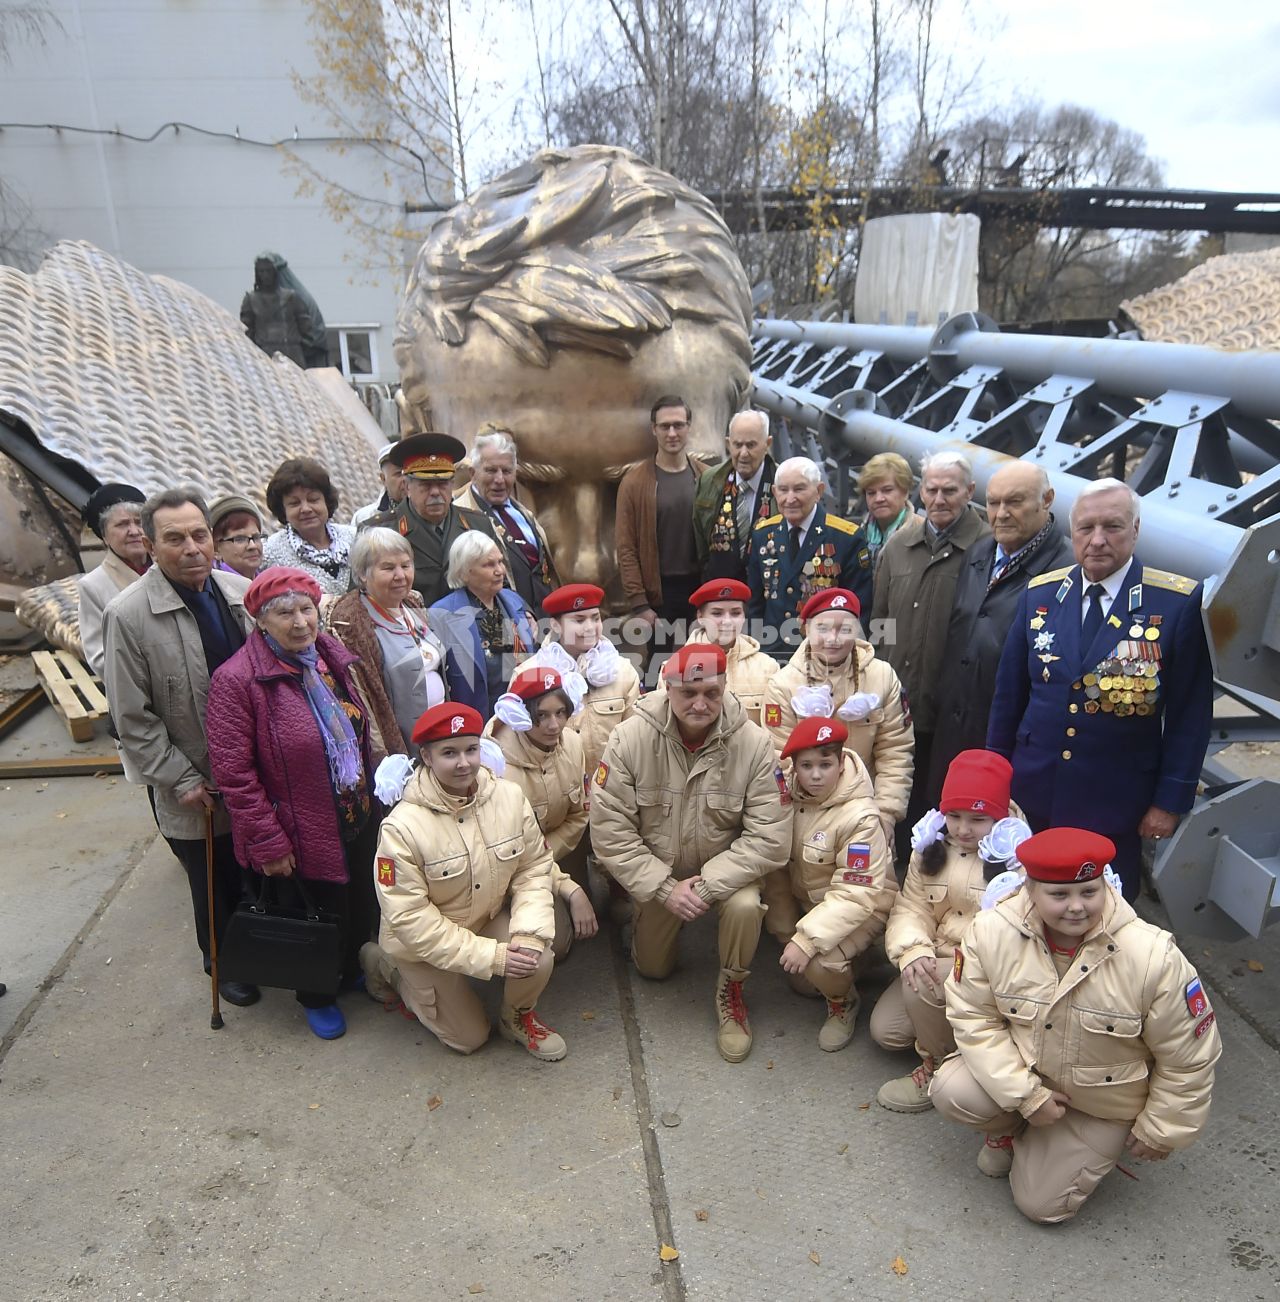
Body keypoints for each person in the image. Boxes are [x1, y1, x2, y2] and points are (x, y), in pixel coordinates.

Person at [932, 826, 1222, 1224]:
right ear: (1030, 890)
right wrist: (1025, 1096)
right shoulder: (990, 933)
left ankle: (1060, 1143)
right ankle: (1014, 1126)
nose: (1077, 907)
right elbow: (974, 1017)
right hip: (1029, 1075)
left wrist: (1163, 1127)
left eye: (1089, 891)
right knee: (951, 1089)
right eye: (1059, 894)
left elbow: (1189, 1055)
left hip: (1102, 1105)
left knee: (1040, 1207)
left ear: (1104, 885)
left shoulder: (1154, 957)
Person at [986, 478, 1213, 901]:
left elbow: (1190, 714)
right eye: (1085, 528)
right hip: (1034, 788)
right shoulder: (1042, 594)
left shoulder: (1175, 604)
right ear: (1071, 532)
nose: (1097, 540)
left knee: (1103, 914)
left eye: (1112, 527)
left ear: (1136, 530)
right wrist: (994, 774)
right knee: (1024, 903)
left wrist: (1170, 800)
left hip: (1116, 799)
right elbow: (1009, 697)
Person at [590, 643, 792, 1062]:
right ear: (667, 687)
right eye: (689, 693)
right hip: (661, 871)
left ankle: (732, 987)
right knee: (653, 970)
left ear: (724, 688)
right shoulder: (630, 739)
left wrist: (708, 885)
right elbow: (610, 831)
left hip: (726, 871)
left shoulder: (753, 744)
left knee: (744, 905)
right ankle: (655, 925)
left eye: (712, 694)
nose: (701, 704)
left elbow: (770, 837)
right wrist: (664, 890)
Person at [207, 568, 379, 1040]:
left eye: (307, 609)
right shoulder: (238, 680)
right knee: (310, 912)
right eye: (285, 612)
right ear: (261, 622)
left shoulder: (328, 658)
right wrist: (267, 840)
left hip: (352, 808)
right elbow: (234, 774)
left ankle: (350, 969)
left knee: (355, 902)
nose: (300, 621)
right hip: (296, 827)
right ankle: (315, 995)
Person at [102, 488, 258, 1007]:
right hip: (193, 773)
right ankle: (223, 960)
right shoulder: (128, 614)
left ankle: (268, 949)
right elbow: (131, 716)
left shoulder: (239, 591)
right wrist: (181, 778)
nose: (191, 548)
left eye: (199, 534)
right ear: (149, 544)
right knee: (212, 878)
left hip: (253, 763)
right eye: (175, 539)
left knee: (256, 864)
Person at [361, 703, 567, 1060]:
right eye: (449, 753)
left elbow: (533, 867)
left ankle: (515, 1018)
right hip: (419, 947)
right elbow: (411, 920)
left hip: (482, 921)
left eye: (471, 749)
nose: (464, 763)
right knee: (469, 1039)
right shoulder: (401, 828)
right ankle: (387, 968)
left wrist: (527, 935)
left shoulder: (508, 797)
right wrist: (494, 957)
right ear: (425, 756)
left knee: (539, 954)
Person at [870, 750, 1022, 1112]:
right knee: (888, 1034)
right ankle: (961, 1047)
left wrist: (959, 966)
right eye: (953, 816)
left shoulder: (1018, 858)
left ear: (999, 816)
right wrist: (913, 949)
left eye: (977, 819)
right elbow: (912, 907)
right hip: (934, 956)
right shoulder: (931, 846)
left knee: (924, 985)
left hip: (983, 972)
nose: (963, 829)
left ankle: (936, 1066)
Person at [928, 462, 1072, 803]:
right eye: (993, 503)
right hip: (953, 725)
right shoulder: (980, 551)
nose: (1001, 514)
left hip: (1012, 741)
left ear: (1047, 500)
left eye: (1015, 502)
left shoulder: (1065, 570)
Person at [872, 450, 990, 852]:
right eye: (932, 490)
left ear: (970, 491)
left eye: (950, 490)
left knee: (946, 805)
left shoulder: (987, 549)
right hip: (900, 704)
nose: (939, 500)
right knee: (899, 795)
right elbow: (880, 620)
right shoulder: (899, 544)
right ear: (920, 491)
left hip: (956, 708)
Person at [764, 717, 896, 1052]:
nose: (817, 775)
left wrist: (805, 940)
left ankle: (844, 1002)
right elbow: (777, 867)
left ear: (842, 762)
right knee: (804, 984)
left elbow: (857, 893)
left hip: (866, 904)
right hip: (816, 904)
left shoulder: (860, 816)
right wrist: (784, 931)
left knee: (818, 964)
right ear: (794, 768)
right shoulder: (786, 800)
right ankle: (861, 963)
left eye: (826, 764)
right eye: (807, 765)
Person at [762, 589, 913, 842]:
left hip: (866, 807)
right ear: (806, 629)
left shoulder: (882, 677)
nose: (833, 639)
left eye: (844, 629)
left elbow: (895, 752)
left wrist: (886, 813)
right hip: (804, 809)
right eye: (823, 628)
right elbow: (779, 760)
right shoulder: (783, 684)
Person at [487, 666, 598, 958]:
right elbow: (510, 849)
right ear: (520, 716)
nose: (553, 725)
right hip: (516, 863)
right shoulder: (496, 767)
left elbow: (580, 813)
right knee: (556, 946)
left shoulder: (573, 743)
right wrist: (568, 888)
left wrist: (549, 849)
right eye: (541, 716)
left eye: (560, 713)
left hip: (558, 845)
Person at [328, 528, 447, 760]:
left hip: (441, 730)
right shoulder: (352, 621)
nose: (400, 575)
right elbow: (368, 697)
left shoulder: (412, 603)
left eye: (406, 565)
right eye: (388, 568)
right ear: (363, 574)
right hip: (406, 745)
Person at [615, 395, 713, 662]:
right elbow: (626, 548)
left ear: (689, 427)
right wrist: (641, 605)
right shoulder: (634, 483)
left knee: (702, 664)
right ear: (653, 429)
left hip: (699, 590)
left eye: (679, 425)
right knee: (657, 668)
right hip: (658, 594)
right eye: (665, 426)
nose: (672, 433)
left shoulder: (706, 477)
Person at [746, 456, 873, 661]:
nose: (790, 498)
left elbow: (860, 609)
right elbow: (755, 604)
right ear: (774, 492)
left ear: (819, 491)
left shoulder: (846, 538)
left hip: (825, 656)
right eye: (783, 489)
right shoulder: (763, 534)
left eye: (799, 489)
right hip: (772, 656)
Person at [378, 432, 498, 607]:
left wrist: (523, 612)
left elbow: (500, 583)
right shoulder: (383, 531)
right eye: (425, 485)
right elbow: (363, 598)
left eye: (442, 484)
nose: (435, 492)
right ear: (407, 486)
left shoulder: (478, 525)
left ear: (452, 484)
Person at [453, 426, 561, 616]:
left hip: (545, 624)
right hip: (504, 627)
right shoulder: (459, 516)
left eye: (507, 471)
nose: (500, 479)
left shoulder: (523, 513)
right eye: (491, 470)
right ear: (472, 473)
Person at [430, 533, 537, 717]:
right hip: (476, 723)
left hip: (524, 715)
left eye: (500, 562)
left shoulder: (514, 601)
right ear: (464, 572)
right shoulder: (442, 615)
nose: (500, 571)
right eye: (489, 564)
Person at [542, 583, 641, 781]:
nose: (589, 627)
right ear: (555, 625)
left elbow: (638, 742)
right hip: (557, 791)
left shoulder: (623, 672)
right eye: (579, 620)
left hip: (614, 788)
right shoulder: (531, 674)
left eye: (595, 618)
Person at [652, 579, 778, 727]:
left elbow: (772, 732)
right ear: (700, 617)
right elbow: (664, 726)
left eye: (735, 613)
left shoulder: (767, 667)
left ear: (744, 617)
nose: (727, 621)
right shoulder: (673, 668)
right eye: (717, 613)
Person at [692, 410, 778, 584]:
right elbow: (699, 542)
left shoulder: (783, 483)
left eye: (751, 445)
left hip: (768, 596)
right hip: (721, 595)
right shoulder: (709, 481)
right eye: (737, 445)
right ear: (727, 444)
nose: (743, 453)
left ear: (767, 444)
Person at [77, 482, 148, 677]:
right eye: (122, 524)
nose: (134, 531)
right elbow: (99, 657)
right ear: (104, 537)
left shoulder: (168, 568)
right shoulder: (93, 585)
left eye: (139, 522)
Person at [259, 457, 356, 596]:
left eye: (313, 499)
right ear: (283, 510)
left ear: (326, 501)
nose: (305, 509)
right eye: (294, 503)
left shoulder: (355, 538)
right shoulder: (269, 554)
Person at [858, 452, 920, 567]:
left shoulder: (921, 534)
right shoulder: (857, 533)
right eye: (871, 493)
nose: (878, 499)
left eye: (887, 490)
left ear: (905, 492)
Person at [209, 493, 266, 580]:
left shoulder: (270, 584)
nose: (253, 546)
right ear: (216, 550)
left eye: (256, 537)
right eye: (240, 539)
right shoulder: (214, 589)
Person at [352, 444, 407, 527]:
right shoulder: (364, 518)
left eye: (410, 473)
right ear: (383, 479)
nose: (406, 479)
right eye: (399, 474)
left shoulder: (431, 512)